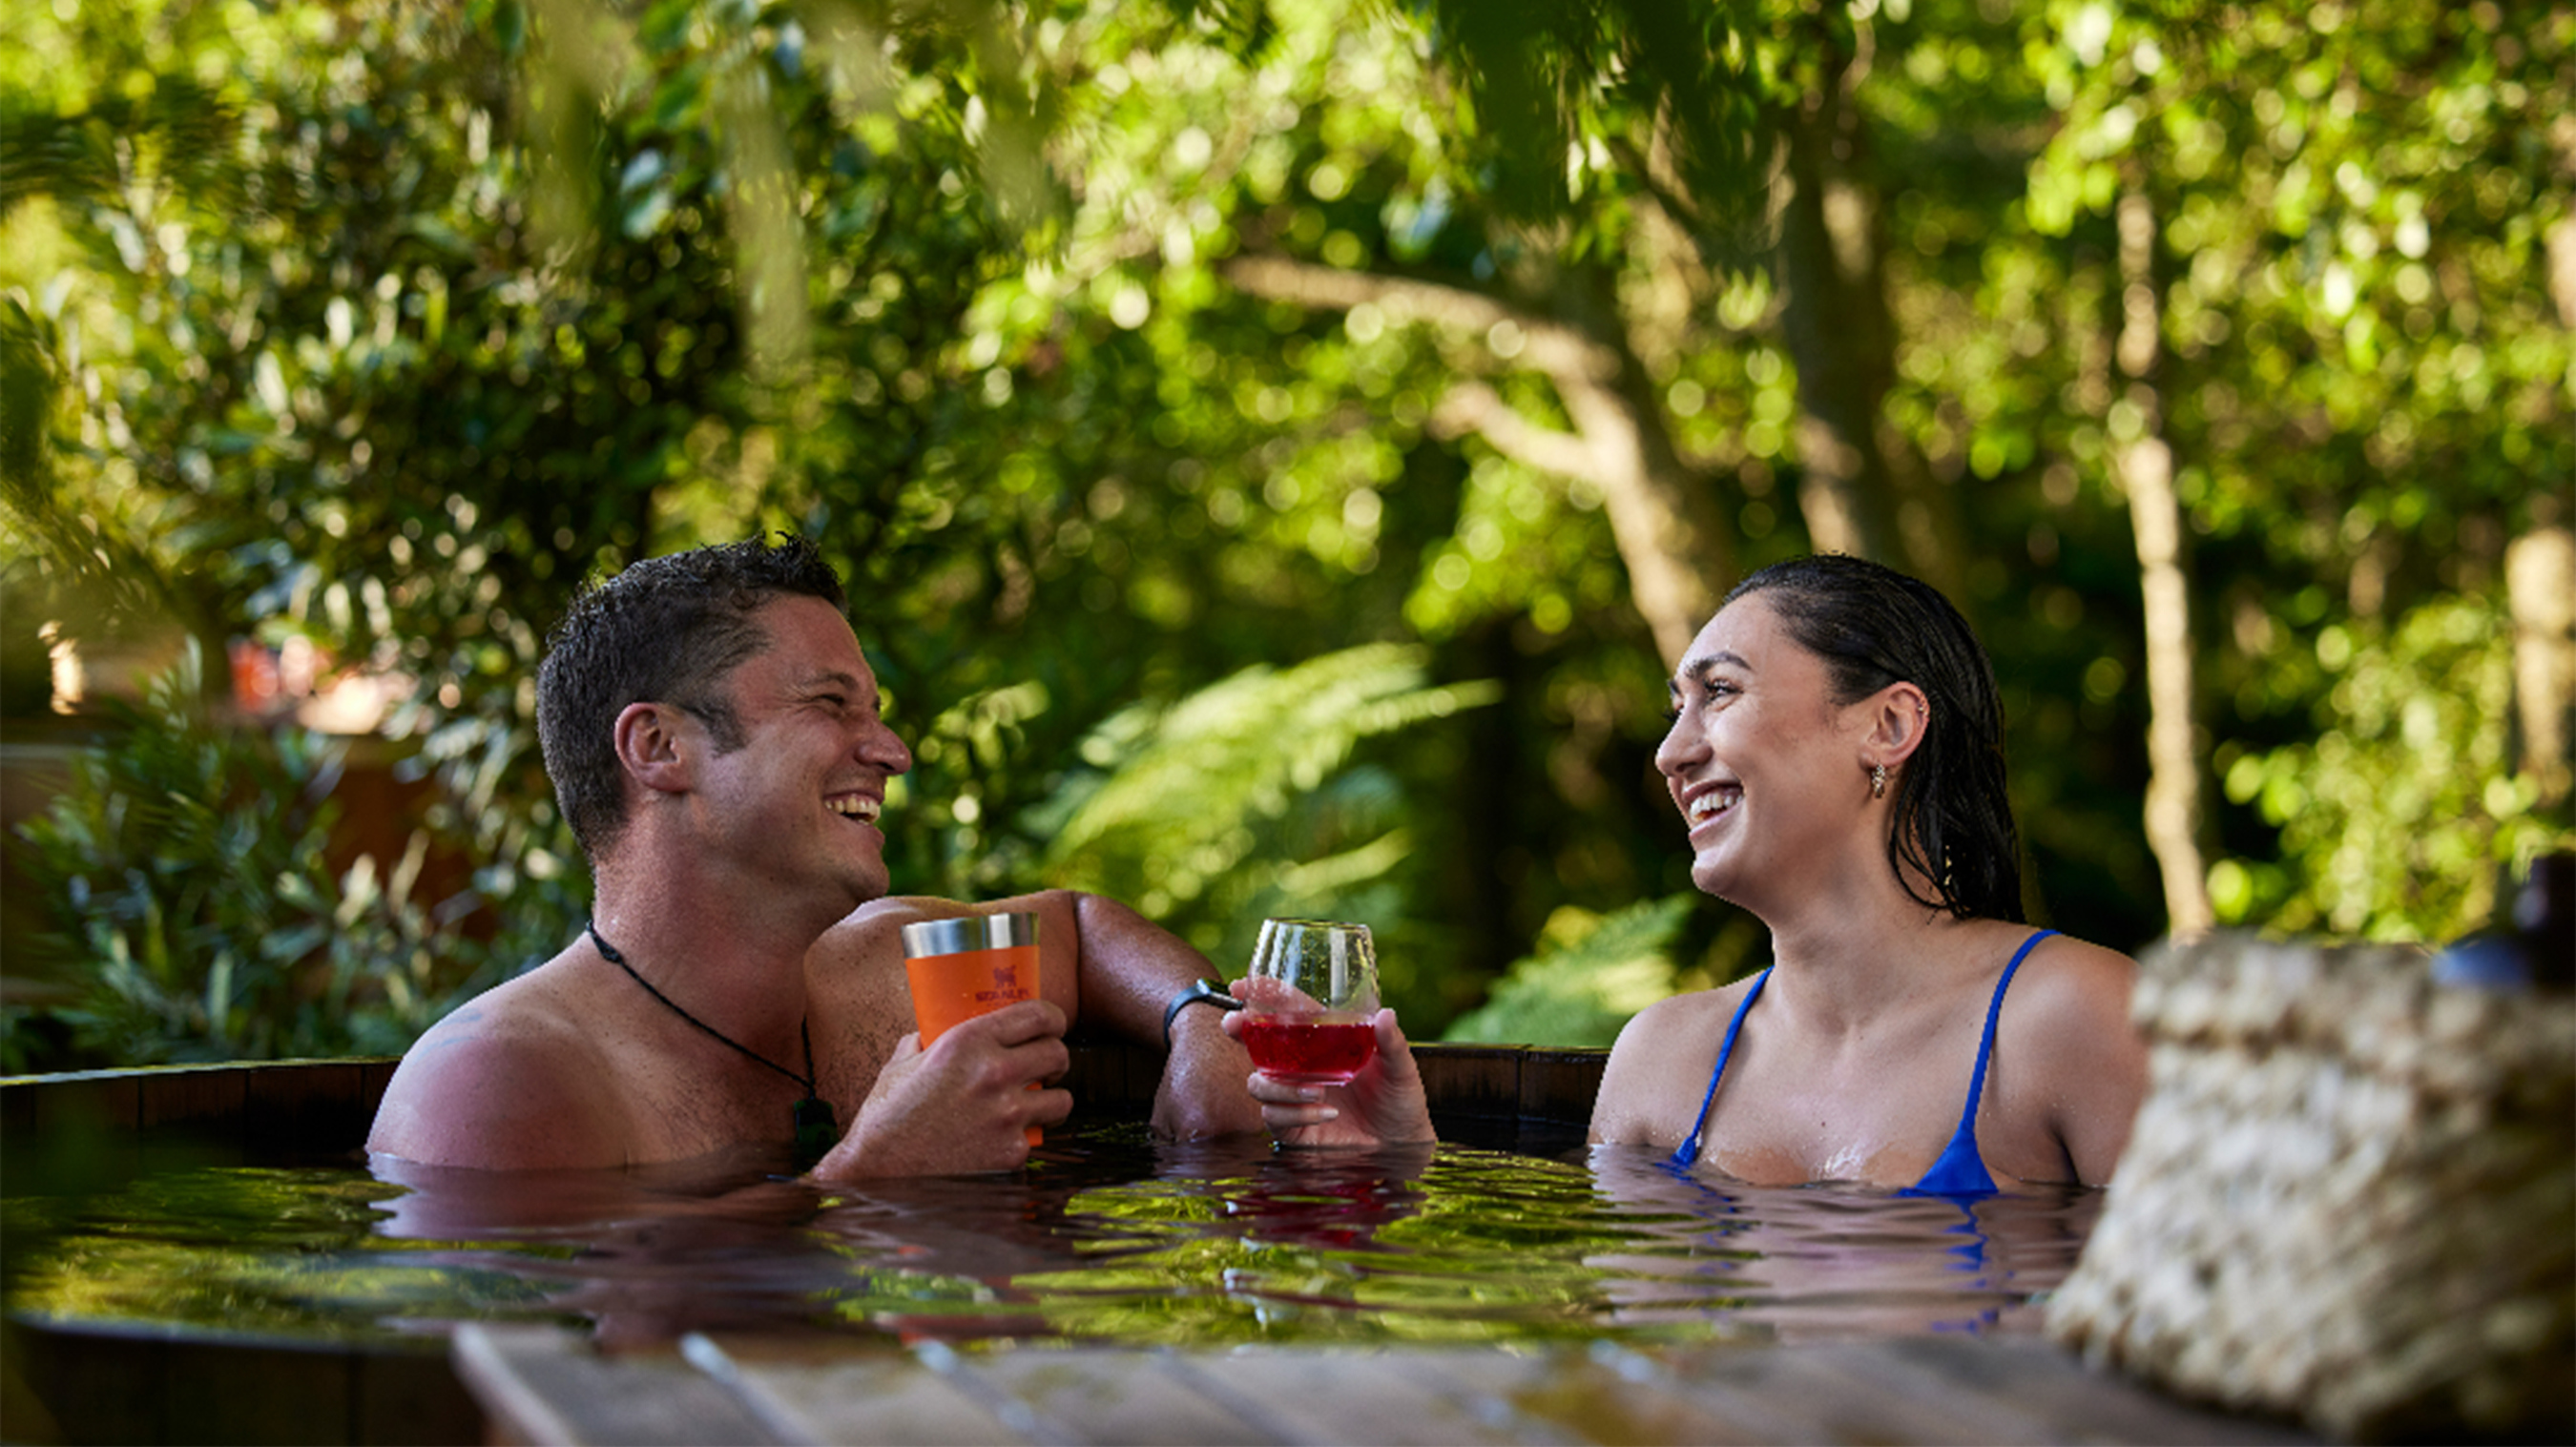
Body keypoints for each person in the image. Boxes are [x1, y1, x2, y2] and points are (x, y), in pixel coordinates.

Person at [1236, 554, 2149, 1193]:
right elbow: (1620, 1375)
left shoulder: (2075, 1019)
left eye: (1719, 692)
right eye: (1676, 707)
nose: (1673, 752)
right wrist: (1397, 1168)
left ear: (1888, 728)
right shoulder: (1663, 1062)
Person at [367, 535, 1260, 1176]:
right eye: (832, 704)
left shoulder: (888, 972)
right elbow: (550, 1379)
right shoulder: (495, 1081)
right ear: (658, 749)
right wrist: (875, 1174)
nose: (893, 752)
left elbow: (1077, 926)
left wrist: (1201, 1022)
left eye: (875, 710)